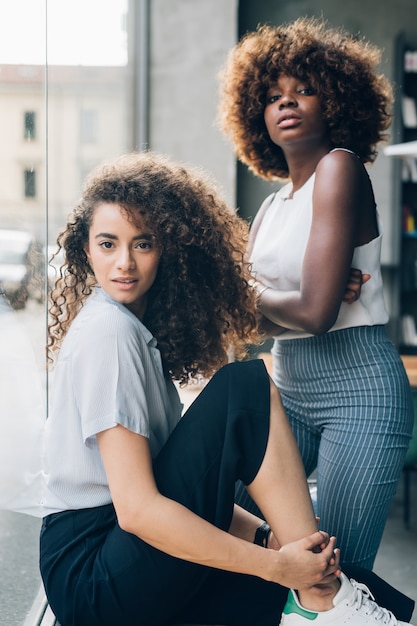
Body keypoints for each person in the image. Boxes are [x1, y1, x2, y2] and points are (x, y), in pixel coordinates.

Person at [40, 151, 414, 626]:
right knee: (246, 389)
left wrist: (267, 540)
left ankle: (323, 599)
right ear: (85, 250)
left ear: (168, 250)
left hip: (122, 562)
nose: (124, 263)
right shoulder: (108, 333)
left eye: (144, 244)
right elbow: (138, 511)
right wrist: (279, 566)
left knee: (359, 583)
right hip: (96, 572)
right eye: (108, 244)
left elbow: (169, 492)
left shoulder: (135, 333)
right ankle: (318, 601)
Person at [217, 16, 415, 572]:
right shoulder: (271, 207)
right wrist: (297, 299)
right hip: (289, 389)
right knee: (230, 521)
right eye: (274, 95)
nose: (288, 102)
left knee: (337, 569)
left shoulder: (340, 169)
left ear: (335, 101)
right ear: (256, 112)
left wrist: (282, 298)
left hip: (359, 395)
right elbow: (244, 319)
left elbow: (314, 313)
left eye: (304, 90)